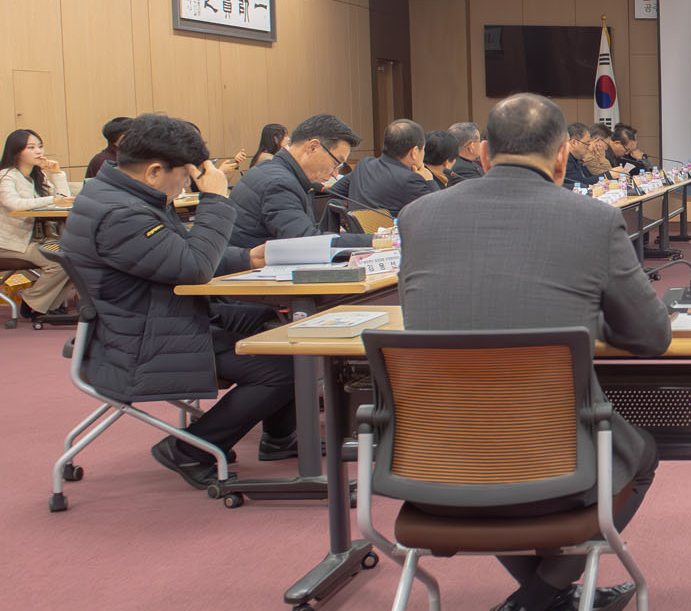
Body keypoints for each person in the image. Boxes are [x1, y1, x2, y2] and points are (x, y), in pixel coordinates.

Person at [397, 93, 670, 611]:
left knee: (497, 469)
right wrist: (590, 316)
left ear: (484, 152)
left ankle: (549, 599)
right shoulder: (593, 219)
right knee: (639, 456)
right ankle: (539, 597)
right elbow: (651, 337)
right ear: (564, 155)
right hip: (554, 464)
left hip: (436, 463)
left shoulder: (418, 216)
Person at [61, 114, 296, 487]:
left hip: (149, 319)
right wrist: (215, 198)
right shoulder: (122, 213)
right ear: (155, 171)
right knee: (284, 366)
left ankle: (280, 437)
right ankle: (189, 450)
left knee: (279, 326)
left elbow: (172, 253)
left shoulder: (121, 195)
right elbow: (193, 267)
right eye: (186, 176)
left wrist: (248, 257)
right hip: (140, 342)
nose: (187, 184)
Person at [227, 113, 371, 248]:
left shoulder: (277, 171)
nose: (335, 174)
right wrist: (374, 241)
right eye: (336, 163)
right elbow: (305, 244)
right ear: (312, 147)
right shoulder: (279, 183)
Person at [0, 129, 75, 317]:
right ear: (16, 151)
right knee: (59, 261)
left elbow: (63, 201)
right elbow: (14, 204)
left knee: (75, 255)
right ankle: (32, 302)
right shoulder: (6, 176)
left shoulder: (37, 176)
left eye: (40, 146)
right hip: (10, 242)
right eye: (31, 147)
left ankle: (44, 305)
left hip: (34, 240)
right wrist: (52, 200)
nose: (38, 151)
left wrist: (57, 174)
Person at [327, 119, 436, 218]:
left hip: (359, 232)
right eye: (423, 149)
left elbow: (334, 191)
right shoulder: (410, 179)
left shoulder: (364, 165)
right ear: (414, 152)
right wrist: (429, 180)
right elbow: (440, 212)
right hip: (390, 233)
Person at [563, 124, 601, 189]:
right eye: (587, 144)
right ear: (574, 143)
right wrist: (609, 174)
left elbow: (589, 178)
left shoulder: (578, 159)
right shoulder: (565, 161)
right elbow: (580, 182)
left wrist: (602, 181)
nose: (589, 148)